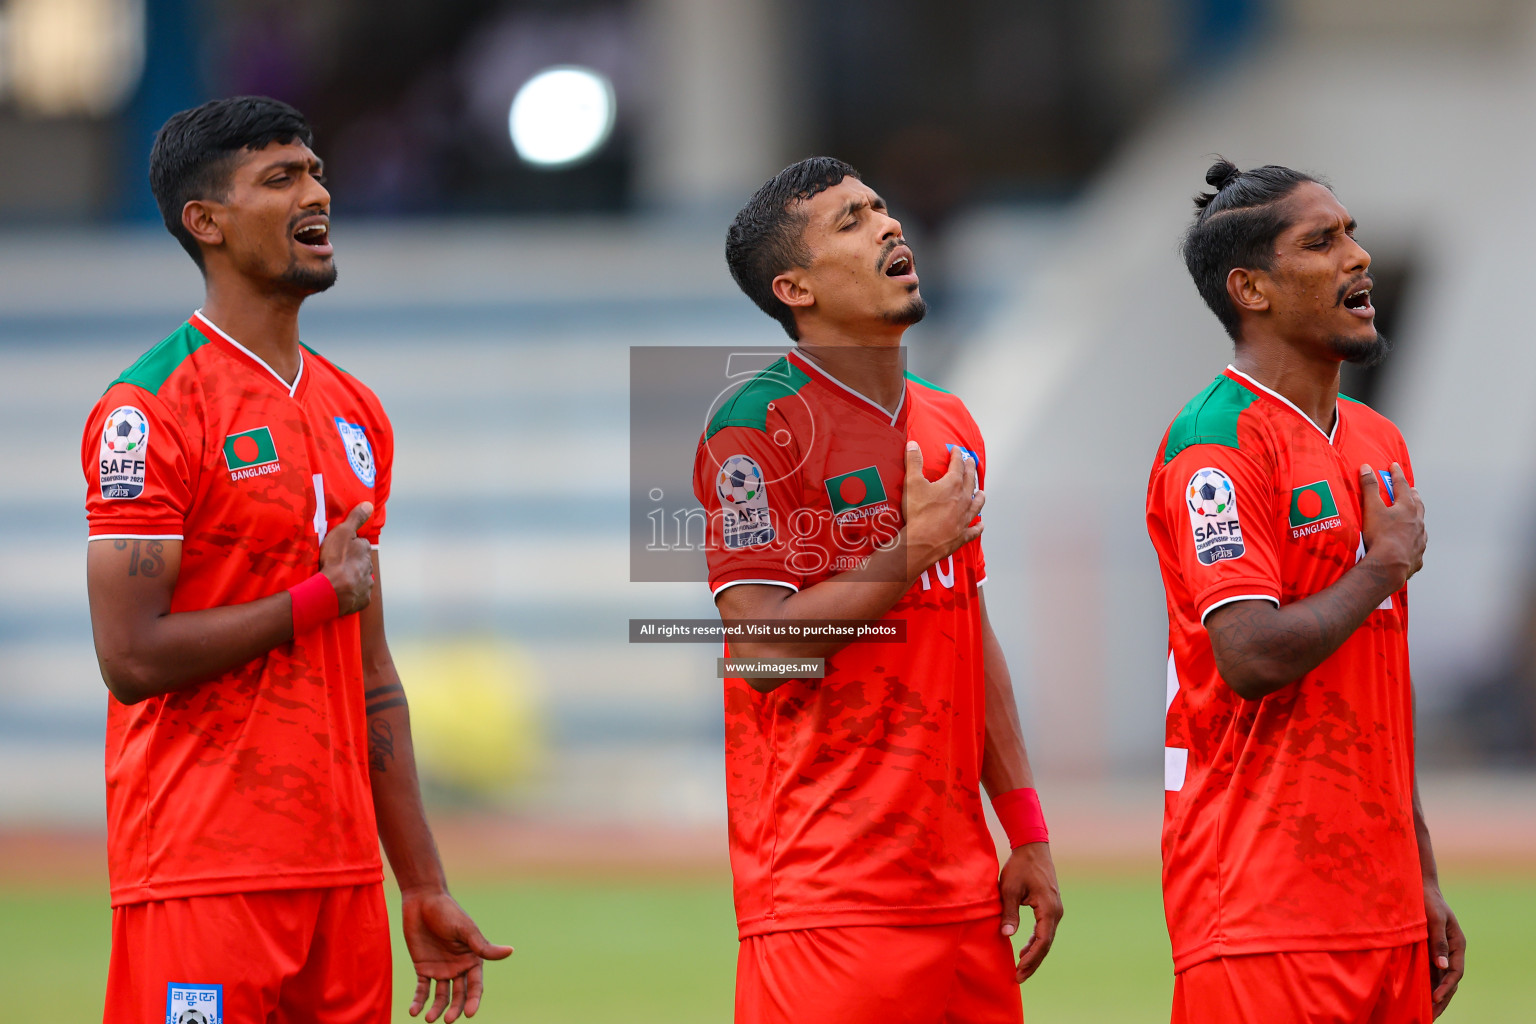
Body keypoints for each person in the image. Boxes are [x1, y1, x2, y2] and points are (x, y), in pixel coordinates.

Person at [82, 96, 511, 1024]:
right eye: (281, 178)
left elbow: (373, 673)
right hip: (203, 868)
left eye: (315, 171)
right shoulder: (151, 407)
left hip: (345, 877)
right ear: (207, 222)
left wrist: (421, 882)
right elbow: (130, 657)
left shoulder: (356, 412)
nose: (317, 191)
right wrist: (316, 598)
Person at [692, 156, 1062, 1024]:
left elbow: (968, 624)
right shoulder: (754, 426)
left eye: (882, 209)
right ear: (797, 287)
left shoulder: (951, 422)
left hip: (967, 896)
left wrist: (1027, 827)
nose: (890, 226)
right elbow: (761, 646)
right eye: (851, 222)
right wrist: (912, 546)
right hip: (829, 897)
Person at [1145, 158, 1466, 1022]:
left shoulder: (1377, 439)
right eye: (1322, 242)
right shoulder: (1216, 444)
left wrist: (1421, 872)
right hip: (1261, 912)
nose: (1356, 257)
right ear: (1249, 288)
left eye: (1352, 234)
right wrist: (1383, 565)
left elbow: (1375, 689)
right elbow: (1248, 655)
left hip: (1383, 908)